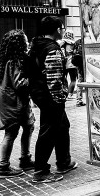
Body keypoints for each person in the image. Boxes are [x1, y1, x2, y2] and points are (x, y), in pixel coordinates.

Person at [27, 16, 77, 184]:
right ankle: (40, 171)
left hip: (40, 94)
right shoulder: (52, 50)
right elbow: (54, 79)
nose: (62, 30)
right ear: (57, 30)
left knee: (62, 125)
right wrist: (60, 98)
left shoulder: (36, 46)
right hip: (51, 97)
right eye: (61, 28)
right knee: (49, 131)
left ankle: (64, 161)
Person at [0, 29, 35, 178]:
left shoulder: (8, 60)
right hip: (13, 102)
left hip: (15, 101)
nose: (27, 43)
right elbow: (20, 84)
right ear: (19, 44)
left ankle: (25, 158)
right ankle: (3, 166)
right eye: (25, 40)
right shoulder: (14, 62)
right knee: (11, 132)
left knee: (28, 126)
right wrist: (33, 80)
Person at [60, 31, 78, 99]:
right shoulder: (73, 43)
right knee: (73, 79)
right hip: (72, 63)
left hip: (64, 62)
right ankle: (70, 94)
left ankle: (65, 92)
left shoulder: (62, 42)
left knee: (63, 79)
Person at [72, 37, 85, 106]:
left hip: (79, 64)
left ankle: (79, 99)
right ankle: (79, 100)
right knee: (81, 81)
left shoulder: (77, 42)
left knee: (80, 81)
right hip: (84, 64)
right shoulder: (84, 42)